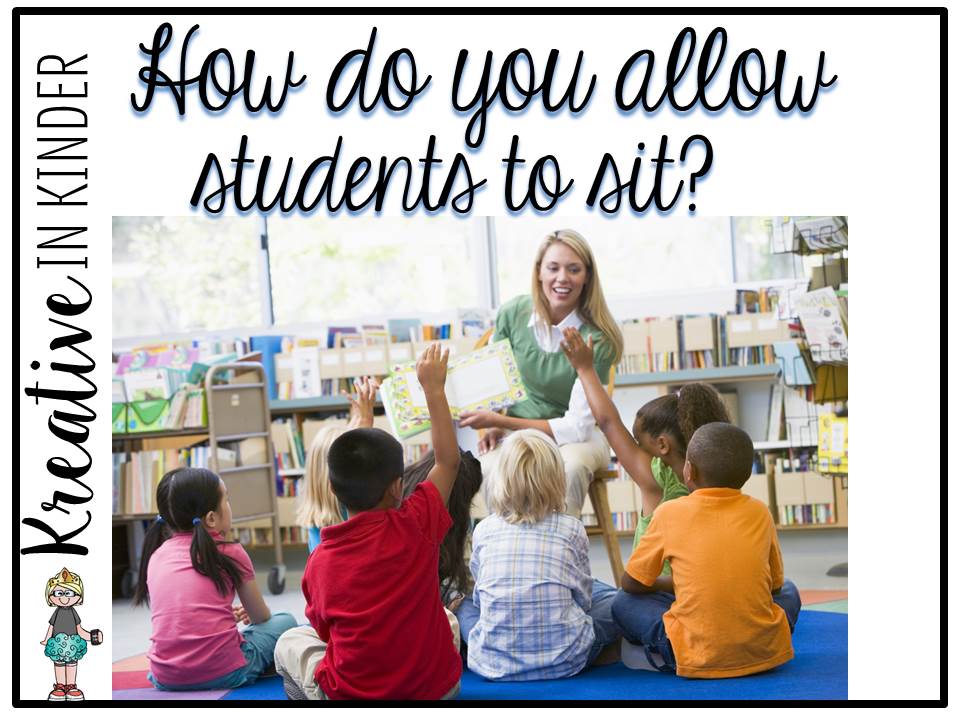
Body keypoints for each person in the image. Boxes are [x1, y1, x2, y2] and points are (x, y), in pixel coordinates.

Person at [274, 344, 463, 700]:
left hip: (355, 697)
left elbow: (328, 636)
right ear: (397, 487)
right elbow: (448, 462)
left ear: (331, 488)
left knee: (290, 640)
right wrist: (434, 390)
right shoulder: (417, 522)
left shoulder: (320, 562)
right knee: (446, 619)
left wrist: (361, 421)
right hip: (436, 693)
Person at [611, 422, 801, 678]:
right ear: (747, 475)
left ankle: (666, 654)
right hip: (763, 651)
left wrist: (670, 584)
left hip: (692, 653)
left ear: (689, 471)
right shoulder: (760, 511)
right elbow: (776, 587)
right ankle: (759, 644)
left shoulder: (669, 512)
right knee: (790, 590)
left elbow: (631, 583)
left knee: (623, 602)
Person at [458, 229, 624, 516]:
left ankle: (556, 553)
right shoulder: (512, 314)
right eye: (553, 268)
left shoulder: (597, 338)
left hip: (579, 438)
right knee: (488, 467)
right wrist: (496, 423)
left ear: (587, 278)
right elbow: (496, 384)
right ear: (539, 273)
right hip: (516, 433)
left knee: (570, 468)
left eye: (574, 269)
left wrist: (501, 421)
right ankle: (505, 553)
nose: (562, 278)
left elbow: (576, 427)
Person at [561, 327, 730, 572]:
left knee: (609, 597)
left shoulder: (657, 477)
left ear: (662, 446)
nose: (638, 452)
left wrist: (585, 368)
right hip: (707, 592)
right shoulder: (723, 477)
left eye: (640, 445)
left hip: (659, 596)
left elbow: (608, 421)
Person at [455, 429, 619, 681]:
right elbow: (583, 601)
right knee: (615, 601)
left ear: (500, 479)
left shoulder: (484, 529)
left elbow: (480, 598)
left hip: (492, 661)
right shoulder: (571, 527)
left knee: (464, 605)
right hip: (566, 660)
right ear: (557, 479)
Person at [133, 468, 297, 691]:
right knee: (285, 620)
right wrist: (250, 614)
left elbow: (180, 614)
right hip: (227, 672)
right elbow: (261, 617)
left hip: (165, 677)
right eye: (226, 500)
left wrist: (220, 617)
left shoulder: (156, 556)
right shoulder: (231, 552)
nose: (229, 506)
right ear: (211, 518)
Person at [298, 377, 379, 553]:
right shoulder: (348, 514)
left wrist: (361, 413)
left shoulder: (318, 522)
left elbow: (340, 446)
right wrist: (365, 420)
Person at [41, 568, 103, 701]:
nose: (63, 597)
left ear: (78, 596)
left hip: (72, 643)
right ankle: (60, 686)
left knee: (71, 664)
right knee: (58, 663)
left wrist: (92, 637)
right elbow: (51, 626)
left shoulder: (73, 613)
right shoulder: (56, 612)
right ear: (51, 595)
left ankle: (70, 686)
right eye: (58, 593)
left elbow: (79, 629)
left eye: (69, 593)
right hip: (57, 643)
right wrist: (46, 639)